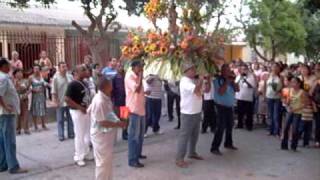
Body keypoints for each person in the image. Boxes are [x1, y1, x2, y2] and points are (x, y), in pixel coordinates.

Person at [88, 76, 127, 180]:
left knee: (107, 161)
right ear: (105, 87)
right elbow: (102, 122)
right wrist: (118, 124)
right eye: (110, 84)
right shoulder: (100, 101)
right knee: (102, 163)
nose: (112, 86)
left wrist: (119, 121)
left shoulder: (105, 97)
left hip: (106, 135)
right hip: (101, 136)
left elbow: (108, 113)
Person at [0, 58, 28, 174]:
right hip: (7, 114)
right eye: (8, 65)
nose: (10, 67)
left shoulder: (4, 77)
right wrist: (5, 106)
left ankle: (3, 164)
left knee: (3, 140)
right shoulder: (3, 78)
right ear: (3, 66)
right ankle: (13, 166)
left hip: (5, 114)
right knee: (9, 140)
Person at [175, 61, 204, 168]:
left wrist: (204, 81)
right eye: (192, 69)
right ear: (186, 71)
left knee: (195, 135)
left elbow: (201, 91)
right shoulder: (185, 81)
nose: (194, 71)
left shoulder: (192, 80)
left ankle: (192, 152)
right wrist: (201, 80)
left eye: (194, 69)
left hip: (196, 111)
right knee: (184, 136)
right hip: (188, 113)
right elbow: (196, 89)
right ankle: (179, 158)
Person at [65, 65, 92, 167]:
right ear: (76, 72)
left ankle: (86, 153)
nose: (85, 71)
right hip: (77, 112)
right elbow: (67, 99)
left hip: (86, 111)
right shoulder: (72, 84)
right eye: (83, 70)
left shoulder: (84, 83)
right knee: (79, 134)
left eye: (85, 69)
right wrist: (79, 107)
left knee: (87, 134)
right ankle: (78, 156)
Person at [211, 64, 239, 156]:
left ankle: (228, 143)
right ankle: (214, 147)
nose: (228, 72)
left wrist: (233, 82)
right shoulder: (217, 81)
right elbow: (221, 92)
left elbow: (237, 89)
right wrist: (226, 82)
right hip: (220, 107)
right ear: (222, 71)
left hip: (229, 107)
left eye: (229, 70)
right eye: (226, 70)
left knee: (230, 126)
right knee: (220, 127)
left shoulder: (231, 80)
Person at [125, 60, 146, 168]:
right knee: (133, 136)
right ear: (133, 67)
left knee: (141, 134)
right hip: (133, 110)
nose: (141, 69)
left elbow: (141, 90)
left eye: (142, 67)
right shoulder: (130, 76)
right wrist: (141, 76)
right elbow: (137, 89)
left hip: (141, 109)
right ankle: (132, 160)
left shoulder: (138, 76)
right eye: (140, 67)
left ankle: (138, 154)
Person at [281, 77, 305, 151]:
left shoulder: (302, 92)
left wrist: (296, 109)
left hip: (297, 113)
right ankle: (284, 145)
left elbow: (305, 104)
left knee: (295, 130)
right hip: (290, 111)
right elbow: (287, 100)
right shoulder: (290, 90)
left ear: (299, 83)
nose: (292, 84)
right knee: (286, 128)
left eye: (294, 82)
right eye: (291, 82)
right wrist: (286, 102)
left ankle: (293, 146)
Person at [52, 62, 74, 141]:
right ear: (59, 68)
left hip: (69, 101)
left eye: (65, 66)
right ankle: (61, 135)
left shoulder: (70, 77)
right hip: (60, 101)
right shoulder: (55, 78)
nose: (65, 68)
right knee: (60, 119)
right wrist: (55, 101)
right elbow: (54, 91)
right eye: (63, 67)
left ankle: (71, 133)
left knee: (70, 118)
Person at [235, 64, 257, 131]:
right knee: (240, 112)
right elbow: (235, 84)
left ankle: (249, 126)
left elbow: (252, 86)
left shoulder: (251, 76)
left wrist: (246, 81)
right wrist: (240, 78)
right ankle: (240, 124)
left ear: (247, 69)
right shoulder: (239, 76)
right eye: (242, 69)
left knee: (249, 113)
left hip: (248, 98)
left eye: (245, 69)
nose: (243, 70)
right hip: (240, 97)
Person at [29, 65, 48, 131]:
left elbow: (44, 84)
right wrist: (34, 90)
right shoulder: (31, 77)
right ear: (33, 69)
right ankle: (35, 125)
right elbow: (28, 87)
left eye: (37, 69)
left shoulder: (42, 76)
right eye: (35, 69)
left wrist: (45, 86)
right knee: (35, 109)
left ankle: (43, 124)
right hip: (35, 96)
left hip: (42, 95)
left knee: (42, 109)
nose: (36, 70)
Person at [112, 62, 127, 140]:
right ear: (116, 68)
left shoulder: (126, 76)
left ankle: (125, 133)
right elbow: (112, 90)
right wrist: (113, 101)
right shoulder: (114, 78)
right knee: (117, 118)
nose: (121, 67)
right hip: (118, 100)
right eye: (119, 66)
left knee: (125, 117)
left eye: (121, 66)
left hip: (125, 100)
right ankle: (113, 136)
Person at [266, 63, 283, 136]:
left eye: (276, 67)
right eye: (273, 67)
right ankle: (270, 130)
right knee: (270, 114)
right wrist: (264, 95)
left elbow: (282, 87)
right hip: (269, 96)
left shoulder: (280, 77)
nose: (275, 68)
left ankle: (277, 131)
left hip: (277, 98)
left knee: (276, 115)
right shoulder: (268, 75)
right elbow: (265, 85)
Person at [13, 69, 30, 135]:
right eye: (18, 73)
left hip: (24, 98)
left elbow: (28, 89)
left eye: (21, 73)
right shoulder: (12, 81)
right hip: (16, 98)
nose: (20, 74)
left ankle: (26, 129)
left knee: (25, 114)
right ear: (15, 74)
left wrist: (26, 94)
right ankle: (18, 129)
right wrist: (16, 84)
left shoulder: (25, 80)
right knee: (17, 114)